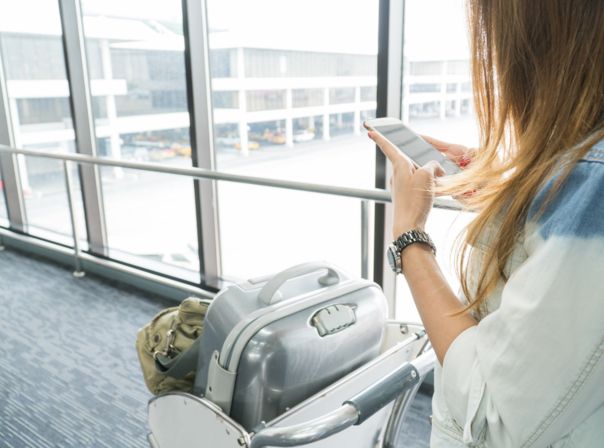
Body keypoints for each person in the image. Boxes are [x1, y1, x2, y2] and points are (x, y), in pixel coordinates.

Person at [367, 0, 604, 446]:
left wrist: (409, 238)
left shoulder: (594, 184)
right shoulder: (582, 163)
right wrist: (508, 184)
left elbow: (494, 410)